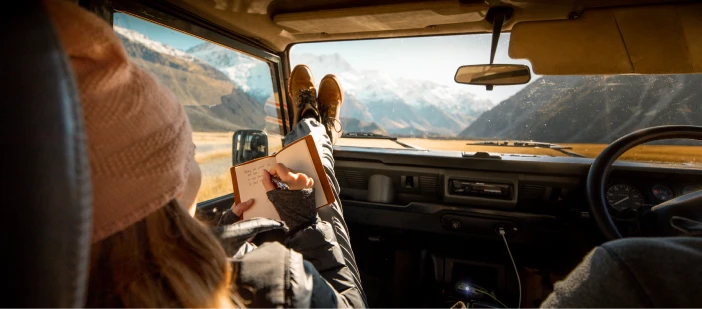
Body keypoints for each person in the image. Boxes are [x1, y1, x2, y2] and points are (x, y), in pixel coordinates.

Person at [47, 1, 366, 308]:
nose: (194, 154)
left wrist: (226, 231)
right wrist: (304, 223)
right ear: (167, 184)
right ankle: (319, 127)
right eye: (188, 150)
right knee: (321, 196)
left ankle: (312, 123)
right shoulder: (276, 280)